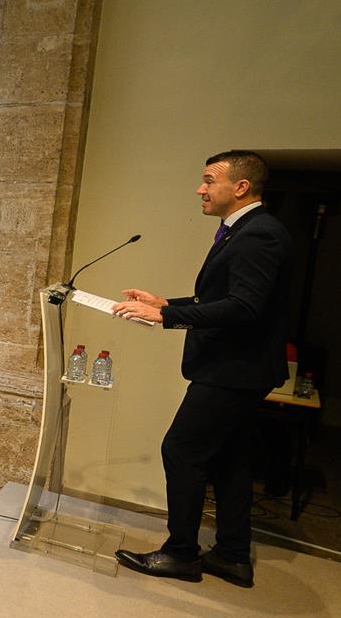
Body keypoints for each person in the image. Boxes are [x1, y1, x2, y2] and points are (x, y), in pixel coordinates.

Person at [111, 150, 295, 589]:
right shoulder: (246, 230)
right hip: (239, 369)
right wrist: (166, 304)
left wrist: (168, 319)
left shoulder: (258, 235)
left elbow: (245, 307)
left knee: (181, 450)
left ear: (241, 187)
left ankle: (180, 553)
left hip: (234, 370)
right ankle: (232, 555)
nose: (201, 189)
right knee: (230, 458)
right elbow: (227, 297)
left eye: (209, 180)